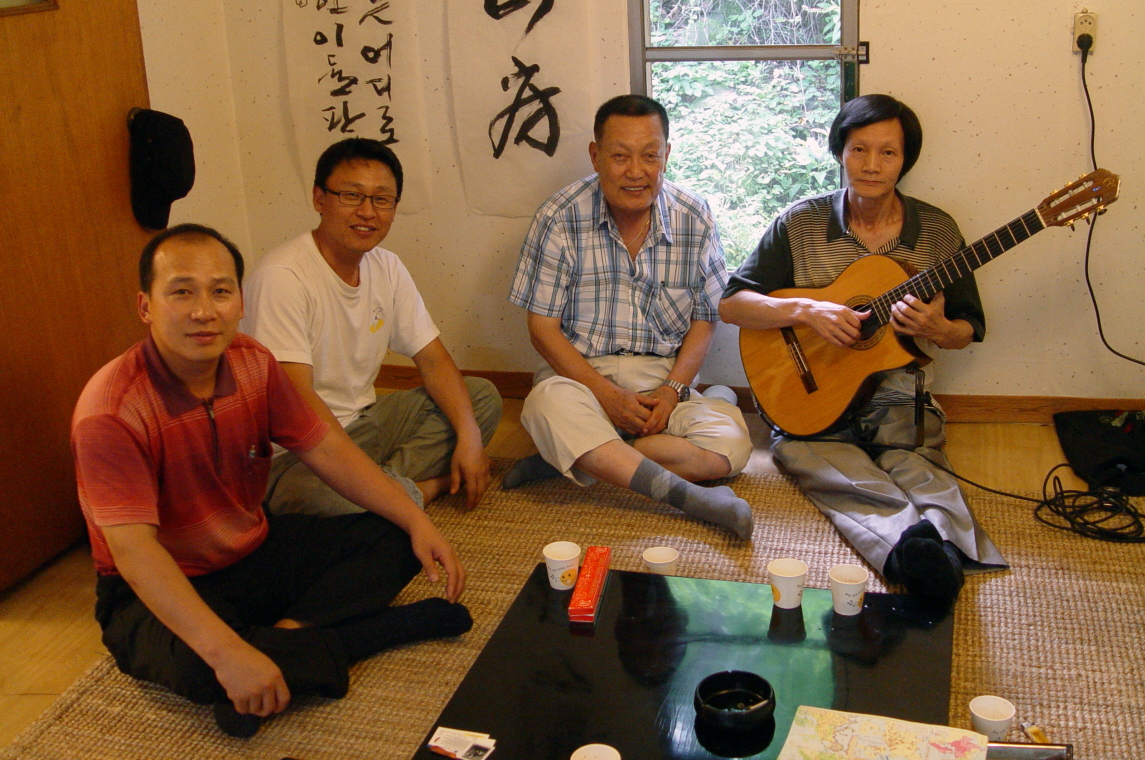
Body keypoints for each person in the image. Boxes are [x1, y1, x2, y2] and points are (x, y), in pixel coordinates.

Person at [72, 225, 472, 738]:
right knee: (205, 668)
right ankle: (369, 635)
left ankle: (277, 644)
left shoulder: (252, 362)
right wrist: (228, 654)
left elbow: (325, 449)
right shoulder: (111, 410)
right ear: (146, 306)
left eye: (220, 291)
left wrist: (416, 519)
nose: (204, 311)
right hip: (157, 583)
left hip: (253, 549)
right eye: (182, 292)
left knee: (394, 536)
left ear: (240, 301)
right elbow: (134, 553)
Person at [719, 93, 1007, 600]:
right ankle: (909, 549)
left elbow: (967, 328)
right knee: (808, 452)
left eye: (888, 152)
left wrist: (939, 329)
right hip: (811, 397)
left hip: (899, 395)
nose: (872, 165)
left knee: (917, 462)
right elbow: (733, 305)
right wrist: (807, 310)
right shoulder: (800, 222)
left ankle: (949, 548)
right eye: (859, 149)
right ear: (840, 152)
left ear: (905, 159)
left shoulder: (938, 232)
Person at [506, 94, 754, 538]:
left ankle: (585, 456)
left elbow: (705, 318)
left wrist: (672, 391)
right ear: (595, 155)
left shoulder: (694, 215)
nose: (636, 171)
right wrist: (605, 396)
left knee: (733, 443)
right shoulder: (559, 216)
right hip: (582, 381)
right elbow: (541, 330)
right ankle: (693, 499)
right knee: (546, 405)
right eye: (620, 156)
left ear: (667, 155)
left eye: (650, 156)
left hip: (661, 382)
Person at [242, 138, 502, 515]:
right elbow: (299, 404)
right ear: (319, 199)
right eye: (351, 196)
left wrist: (470, 438)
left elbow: (433, 360)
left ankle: (377, 492)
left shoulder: (387, 266)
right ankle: (418, 491)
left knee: (481, 399)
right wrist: (356, 472)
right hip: (297, 453)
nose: (367, 212)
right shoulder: (282, 277)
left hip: (365, 423)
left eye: (381, 200)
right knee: (312, 496)